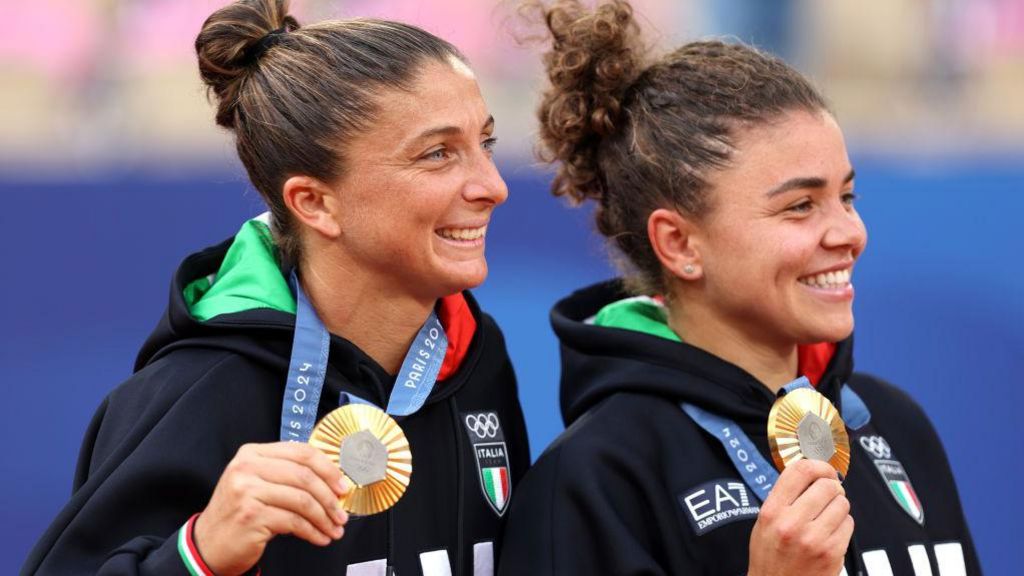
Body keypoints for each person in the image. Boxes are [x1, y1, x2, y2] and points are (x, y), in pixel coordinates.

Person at [22, 1, 529, 574]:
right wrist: (197, 556)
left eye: (483, 144)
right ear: (315, 202)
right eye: (437, 154)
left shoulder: (476, 359)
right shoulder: (197, 391)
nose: (493, 186)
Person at [499, 1, 980, 575]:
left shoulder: (892, 423)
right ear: (679, 244)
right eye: (800, 206)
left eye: (846, 197)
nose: (850, 233)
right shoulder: (595, 478)